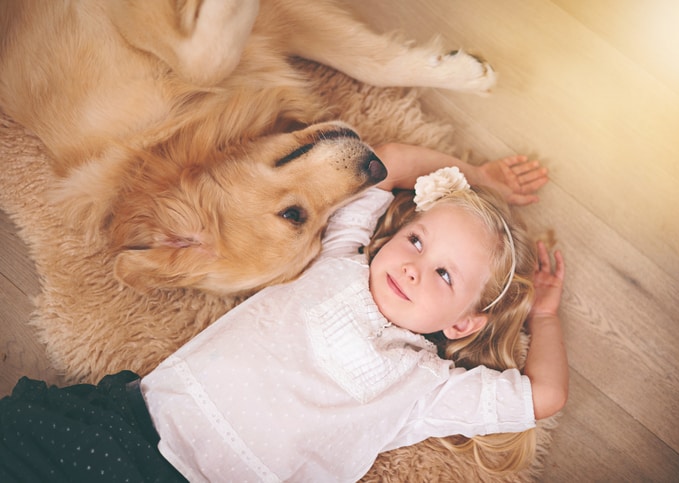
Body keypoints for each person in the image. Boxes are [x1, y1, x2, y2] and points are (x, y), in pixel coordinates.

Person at [0, 144, 567, 482]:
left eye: (445, 275)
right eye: (416, 241)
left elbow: (543, 397)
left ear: (462, 324)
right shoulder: (341, 257)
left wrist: (543, 317)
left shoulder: (425, 387)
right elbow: (383, 162)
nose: (416, 267)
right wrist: (477, 176)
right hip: (133, 427)